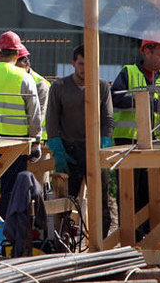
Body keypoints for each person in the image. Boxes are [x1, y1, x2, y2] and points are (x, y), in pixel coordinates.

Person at [46, 44, 114, 236]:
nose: (85, 68)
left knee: (101, 200)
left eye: (89, 64)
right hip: (69, 150)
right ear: (73, 64)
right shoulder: (59, 87)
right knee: (66, 200)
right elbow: (51, 121)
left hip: (94, 149)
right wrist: (57, 149)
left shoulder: (101, 86)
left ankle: (101, 242)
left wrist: (105, 143)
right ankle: (61, 239)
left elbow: (108, 118)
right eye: (81, 63)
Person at [110, 39, 160, 240]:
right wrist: (145, 101)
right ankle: (130, 239)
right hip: (129, 143)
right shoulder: (128, 72)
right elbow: (115, 98)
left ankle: (152, 236)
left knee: (155, 194)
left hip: (157, 144)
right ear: (146, 52)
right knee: (130, 195)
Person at [0, 30, 43, 219]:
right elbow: (35, 114)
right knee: (11, 192)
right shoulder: (24, 77)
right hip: (17, 145)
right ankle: (6, 234)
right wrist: (36, 142)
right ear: (17, 54)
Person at [16, 44, 49, 142]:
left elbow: (39, 116)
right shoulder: (15, 80)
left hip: (38, 139)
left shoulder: (40, 84)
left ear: (26, 64)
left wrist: (34, 139)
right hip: (19, 137)